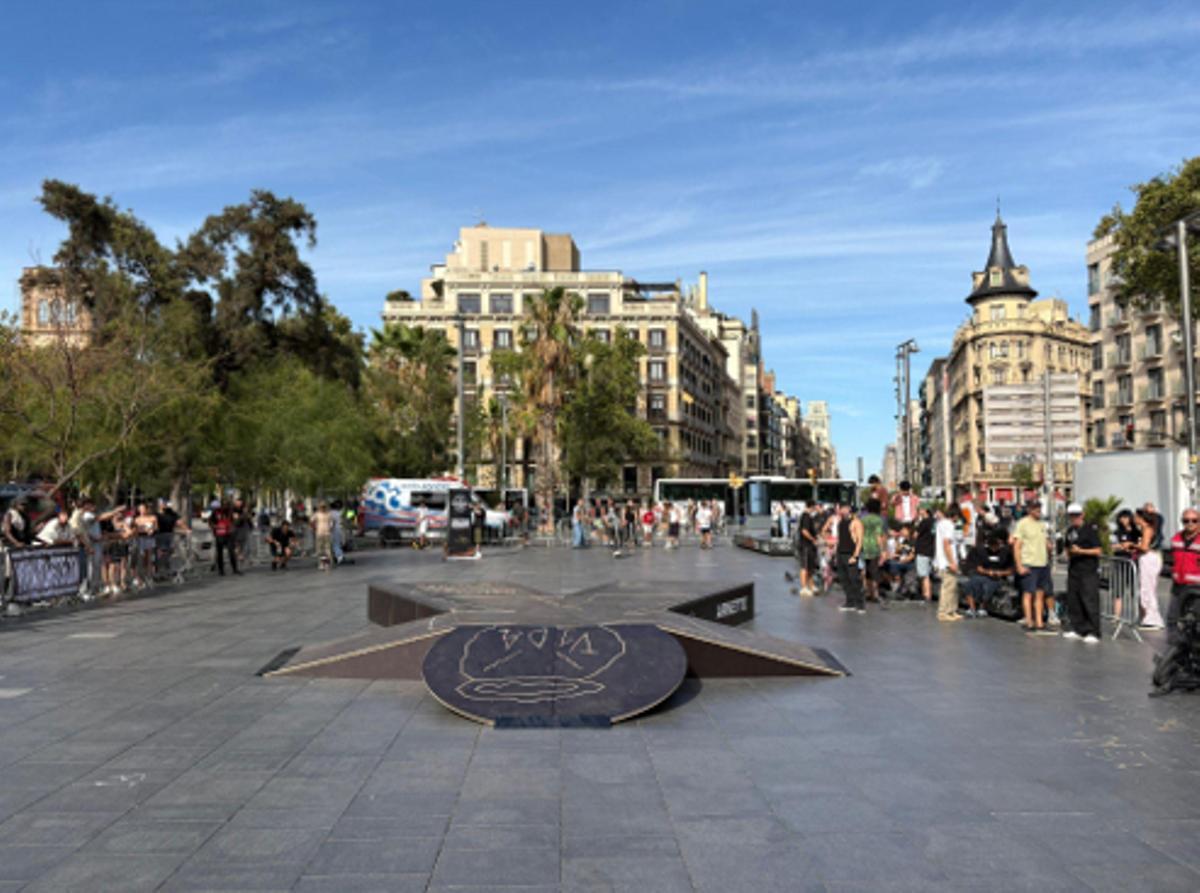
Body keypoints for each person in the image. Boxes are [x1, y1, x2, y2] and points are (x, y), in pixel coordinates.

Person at [1062, 503, 1102, 642]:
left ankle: (1094, 631)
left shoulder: (1090, 530)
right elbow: (1067, 547)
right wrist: (1069, 553)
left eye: (1077, 515)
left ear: (1082, 515)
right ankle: (1078, 628)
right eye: (1072, 516)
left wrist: (1081, 551)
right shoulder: (1070, 531)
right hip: (1074, 569)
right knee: (1074, 599)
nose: (1074, 518)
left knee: (1089, 600)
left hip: (1088, 570)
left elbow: (1098, 550)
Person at [1012, 501, 1053, 634]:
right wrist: (1019, 566)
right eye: (1035, 508)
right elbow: (1016, 546)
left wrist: (1049, 549)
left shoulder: (1042, 524)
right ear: (1029, 509)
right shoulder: (1022, 523)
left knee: (1040, 594)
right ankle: (1029, 622)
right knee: (1028, 593)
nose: (1038, 511)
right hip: (1029, 563)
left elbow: (1046, 541)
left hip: (1042, 563)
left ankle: (1039, 623)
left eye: (1039, 508)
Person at [1167, 508, 1200, 645]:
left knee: (1195, 620)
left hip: (1196, 589)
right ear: (1182, 522)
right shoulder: (1176, 538)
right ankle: (1175, 649)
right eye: (1186, 520)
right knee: (1172, 618)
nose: (1190, 523)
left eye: (1194, 520)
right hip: (1178, 586)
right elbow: (1170, 559)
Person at [962, 530, 1014, 617]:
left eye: (996, 546)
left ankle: (983, 607)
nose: (994, 548)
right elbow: (978, 567)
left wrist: (1000, 573)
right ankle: (972, 608)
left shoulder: (1006, 552)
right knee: (971, 584)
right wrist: (987, 572)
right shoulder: (980, 550)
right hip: (982, 574)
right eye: (992, 546)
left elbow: (1011, 570)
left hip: (997, 577)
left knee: (989, 586)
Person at [1135, 504, 1166, 630]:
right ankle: (1148, 617)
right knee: (1146, 587)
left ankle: (1153, 619)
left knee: (1148, 588)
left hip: (1149, 558)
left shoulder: (1147, 529)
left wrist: (1133, 545)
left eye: (1136, 517)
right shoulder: (1147, 529)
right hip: (1149, 558)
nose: (1134, 519)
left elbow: (1145, 547)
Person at [935, 504, 963, 622]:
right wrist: (952, 562)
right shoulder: (949, 525)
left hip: (943, 560)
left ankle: (952, 610)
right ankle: (944, 612)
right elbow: (946, 544)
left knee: (953, 587)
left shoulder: (941, 523)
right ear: (955, 515)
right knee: (948, 587)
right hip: (946, 562)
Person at [835, 503, 865, 614]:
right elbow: (840, 539)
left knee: (854, 579)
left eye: (842, 508)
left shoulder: (856, 522)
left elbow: (860, 541)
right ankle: (850, 602)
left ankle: (860, 604)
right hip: (840, 553)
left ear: (848, 509)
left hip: (850, 554)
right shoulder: (841, 522)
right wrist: (836, 553)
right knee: (844, 579)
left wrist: (855, 556)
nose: (839, 510)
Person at [860, 499, 886, 604]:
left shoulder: (863, 519)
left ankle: (868, 592)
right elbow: (878, 535)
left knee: (867, 571)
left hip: (864, 546)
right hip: (874, 547)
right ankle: (875, 594)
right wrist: (883, 550)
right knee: (875, 571)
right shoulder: (878, 520)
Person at [794, 502, 821, 596]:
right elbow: (804, 531)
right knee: (804, 567)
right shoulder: (805, 516)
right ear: (812, 507)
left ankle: (811, 585)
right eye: (816, 507)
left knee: (810, 567)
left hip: (809, 546)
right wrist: (813, 539)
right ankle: (804, 588)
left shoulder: (809, 517)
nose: (817, 509)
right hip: (805, 545)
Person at [209, 500, 241, 576]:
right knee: (220, 553)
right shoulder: (216, 512)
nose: (225, 506)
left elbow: (236, 521)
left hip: (229, 535)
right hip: (219, 534)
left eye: (227, 505)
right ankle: (221, 570)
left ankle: (235, 569)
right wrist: (215, 527)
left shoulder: (231, 512)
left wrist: (232, 526)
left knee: (231, 552)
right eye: (224, 505)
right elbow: (210, 521)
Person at [913, 505, 936, 603]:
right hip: (930, 550)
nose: (919, 511)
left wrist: (917, 522)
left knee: (924, 575)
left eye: (920, 509)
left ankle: (926, 595)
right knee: (927, 574)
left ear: (925, 511)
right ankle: (927, 594)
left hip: (922, 550)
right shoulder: (933, 522)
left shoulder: (924, 522)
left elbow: (915, 535)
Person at [313, 502, 334, 570]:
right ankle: (321, 564)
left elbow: (333, 522)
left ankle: (327, 564)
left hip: (327, 534)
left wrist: (330, 528)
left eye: (324, 507)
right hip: (319, 533)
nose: (323, 508)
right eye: (321, 507)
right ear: (319, 507)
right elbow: (311, 521)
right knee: (320, 550)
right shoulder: (317, 514)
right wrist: (315, 528)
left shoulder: (329, 514)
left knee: (327, 550)